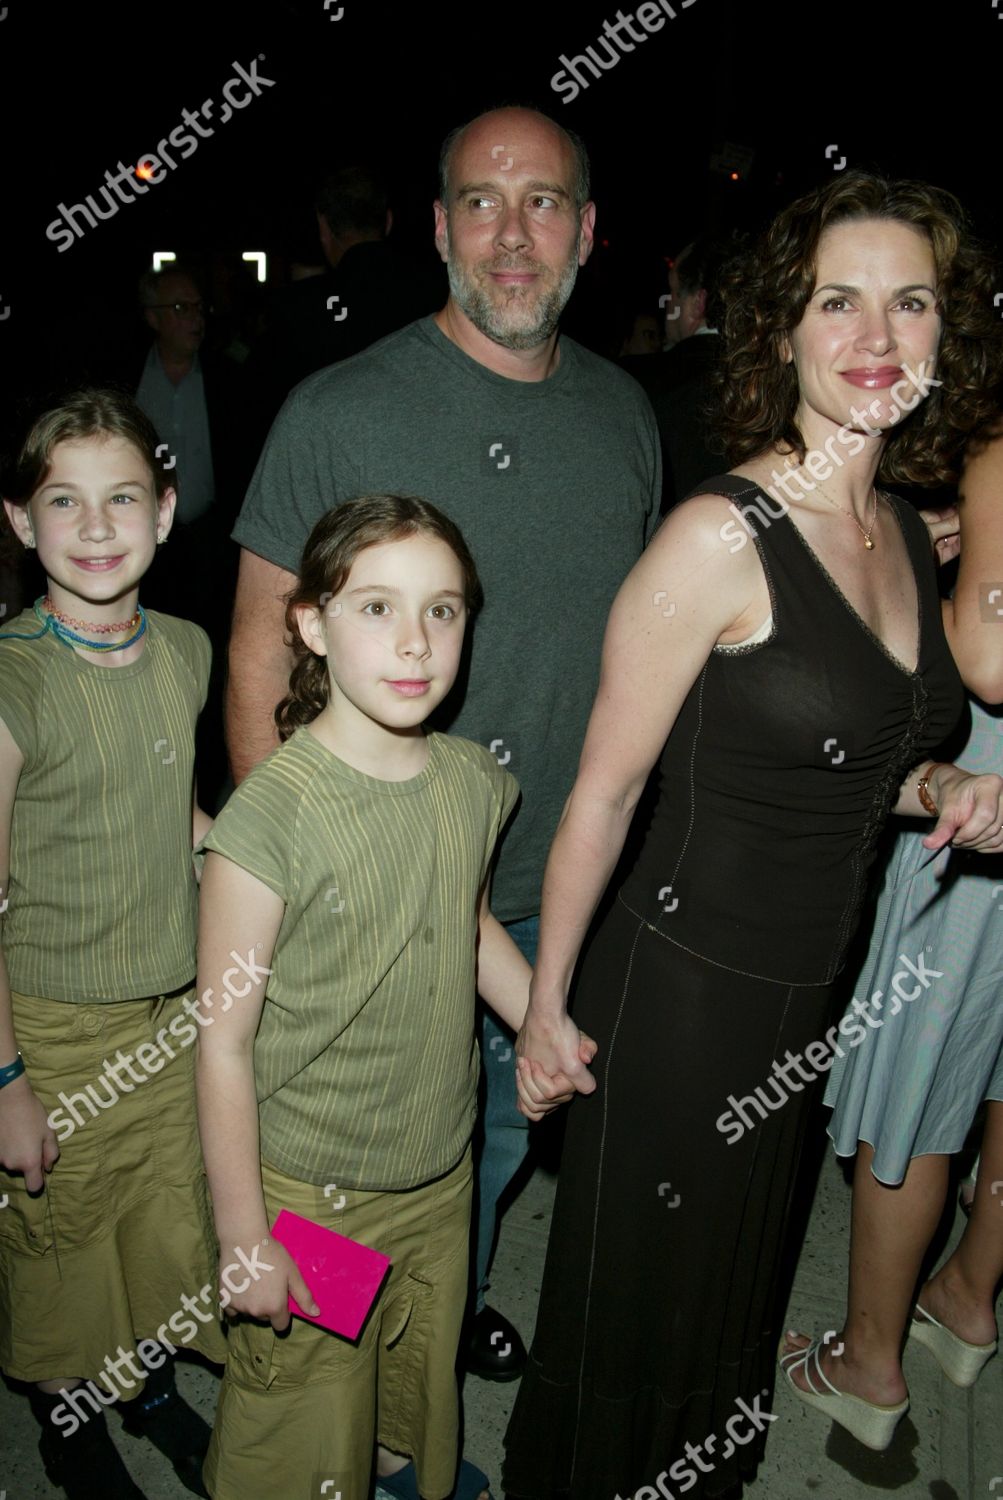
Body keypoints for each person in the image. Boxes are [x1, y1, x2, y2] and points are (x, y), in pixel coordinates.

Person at [503, 171, 1003, 1500]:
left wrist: (938, 788)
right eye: (837, 302)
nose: (875, 336)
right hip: (674, 995)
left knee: (726, 1301)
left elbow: (857, 764)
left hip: (798, 1004)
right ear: (779, 330)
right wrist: (544, 1005)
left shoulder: (898, 524)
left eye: (908, 303)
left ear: (944, 335)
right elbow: (602, 792)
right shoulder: (714, 537)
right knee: (633, 1310)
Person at [223, 104, 660, 1380]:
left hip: (544, 902)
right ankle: (321, 1390)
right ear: (435, 227)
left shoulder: (627, 415)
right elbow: (259, 648)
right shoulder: (337, 408)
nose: (511, 236)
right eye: (481, 200)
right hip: (376, 892)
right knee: (347, 1178)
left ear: (587, 229)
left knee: (492, 1141)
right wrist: (288, 867)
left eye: (541, 204)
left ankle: (430, 1320)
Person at [195, 494, 592, 1500]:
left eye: (443, 610)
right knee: (305, 1410)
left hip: (439, 1169)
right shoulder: (269, 822)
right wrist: (245, 1240)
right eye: (376, 608)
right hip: (317, 1194)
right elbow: (224, 1043)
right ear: (311, 623)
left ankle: (385, 1465)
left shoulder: (469, 782)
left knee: (406, 1367)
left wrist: (535, 1021)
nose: (415, 641)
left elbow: (459, 924)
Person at [0, 389, 227, 1500]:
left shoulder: (184, 649)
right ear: (19, 521)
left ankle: (146, 1389)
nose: (96, 528)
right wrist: (5, 1081)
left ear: (166, 510)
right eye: (64, 502)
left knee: (164, 1219)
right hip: (49, 1027)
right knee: (64, 1250)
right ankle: (67, 1419)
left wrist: (241, 861)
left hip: (171, 1010)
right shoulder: (11, 680)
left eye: (122, 498)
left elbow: (169, 809)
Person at [782, 424, 1003, 1445]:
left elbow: (988, 663)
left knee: (916, 1074)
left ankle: (868, 1365)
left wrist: (922, 563)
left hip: (984, 795)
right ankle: (964, 1295)